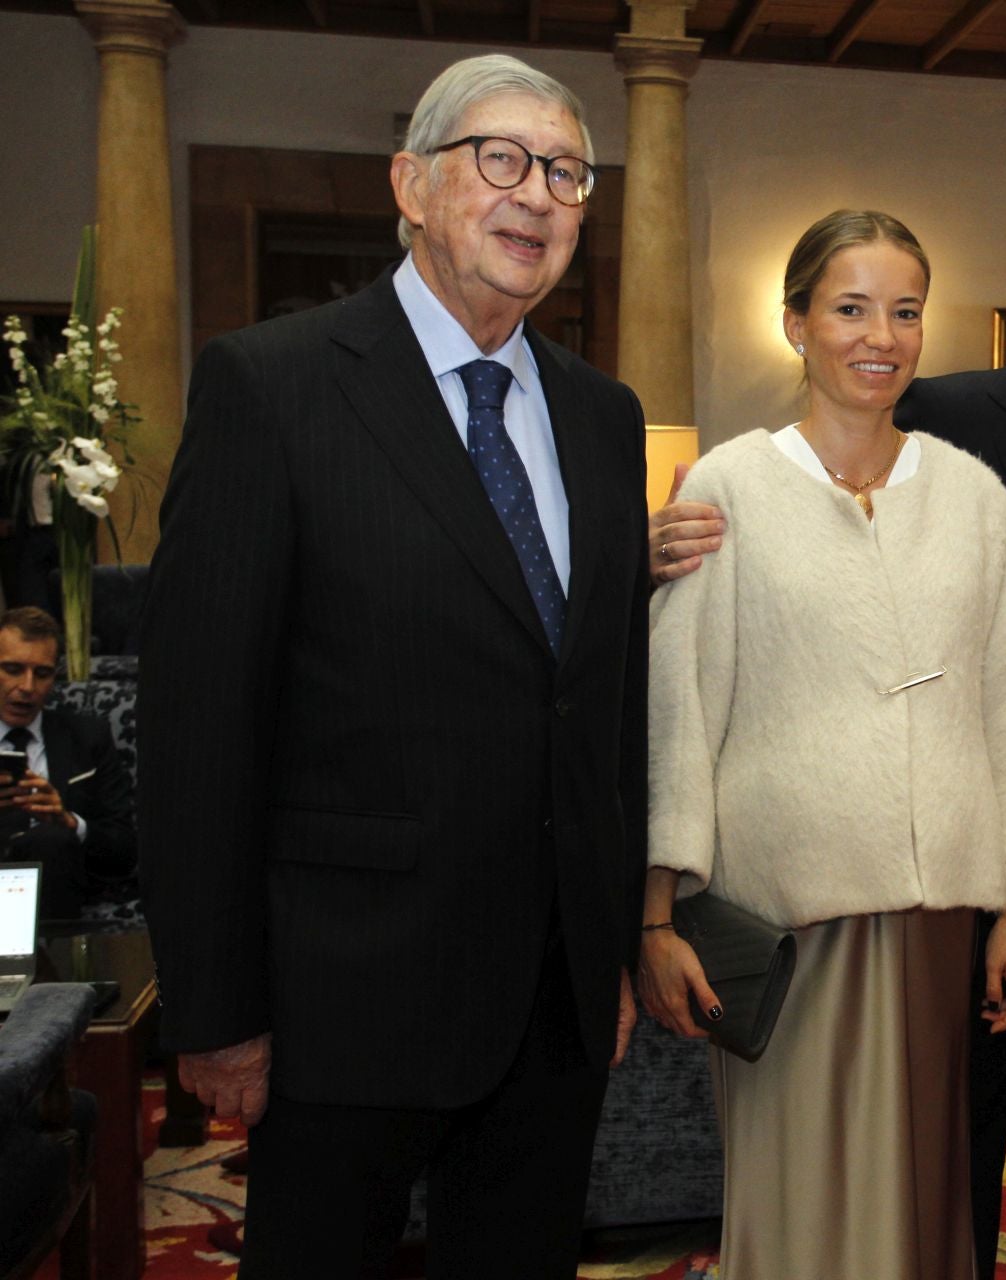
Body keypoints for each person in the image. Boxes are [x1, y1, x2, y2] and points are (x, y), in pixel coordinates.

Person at [648, 176, 1006, 1279]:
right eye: (851, 308)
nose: (880, 336)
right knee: (856, 1166)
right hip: (833, 890)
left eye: (904, 310)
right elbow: (701, 681)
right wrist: (655, 909)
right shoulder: (823, 456)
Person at [138, 54, 648, 1278]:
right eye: (503, 160)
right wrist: (216, 1008)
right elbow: (201, 726)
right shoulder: (274, 385)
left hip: (551, 999)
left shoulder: (603, 415)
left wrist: (612, 948)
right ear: (411, 185)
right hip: (343, 1000)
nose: (538, 195)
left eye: (568, 172)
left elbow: (604, 705)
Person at [0, 605, 134, 919]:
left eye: (42, 674)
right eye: (13, 669)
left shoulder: (88, 738)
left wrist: (70, 822)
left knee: (52, 840)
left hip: (58, 890)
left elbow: (124, 850)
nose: (28, 687)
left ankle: (51, 967)